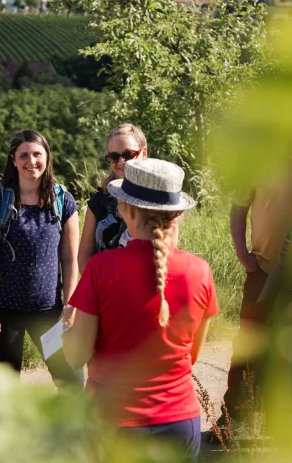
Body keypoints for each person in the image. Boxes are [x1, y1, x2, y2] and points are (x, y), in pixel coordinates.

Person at [62, 158, 219, 462]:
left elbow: (75, 356)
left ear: (128, 210)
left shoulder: (100, 269)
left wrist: (67, 329)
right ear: (177, 214)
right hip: (179, 421)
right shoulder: (201, 271)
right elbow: (192, 354)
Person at [0, 129, 81, 387]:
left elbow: (70, 260)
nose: (31, 161)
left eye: (37, 154)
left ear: (47, 157)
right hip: (4, 314)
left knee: (71, 380)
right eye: (24, 155)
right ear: (13, 159)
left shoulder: (63, 201)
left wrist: (70, 306)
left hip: (49, 313)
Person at [214, 175, 292, 436]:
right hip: (263, 269)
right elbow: (239, 206)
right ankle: (233, 418)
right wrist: (243, 254)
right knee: (249, 342)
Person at [78, 124, 147, 273]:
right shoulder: (100, 200)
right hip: (104, 291)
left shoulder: (158, 200)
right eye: (114, 157)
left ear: (144, 153)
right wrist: (97, 288)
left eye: (129, 154)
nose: (121, 162)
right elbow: (84, 257)